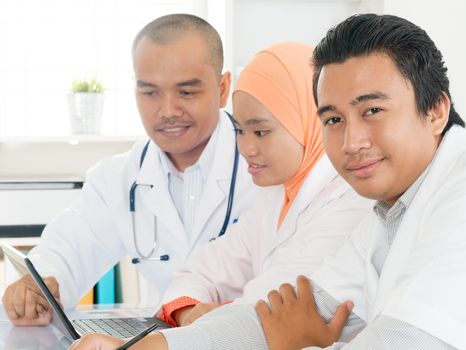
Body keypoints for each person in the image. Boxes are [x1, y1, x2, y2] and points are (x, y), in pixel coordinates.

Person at [70, 13, 466, 350]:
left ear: (436, 110)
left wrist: (292, 343)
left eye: (372, 111)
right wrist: (141, 348)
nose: (351, 141)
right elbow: (275, 315)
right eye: (332, 119)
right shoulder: (389, 211)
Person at [69, 41, 371, 349]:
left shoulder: (350, 203)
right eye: (240, 131)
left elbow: (265, 314)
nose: (246, 148)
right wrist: (188, 311)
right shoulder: (276, 195)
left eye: (261, 131)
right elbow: (201, 269)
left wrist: (143, 345)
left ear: (311, 119)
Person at [2, 13, 256, 327]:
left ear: (222, 88)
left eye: (187, 92)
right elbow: (66, 251)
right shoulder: (118, 178)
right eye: (150, 92)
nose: (167, 111)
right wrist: (40, 287)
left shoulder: (262, 167)